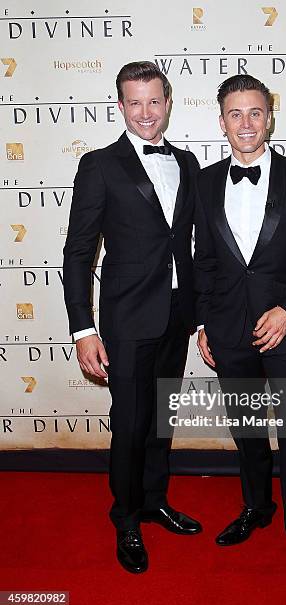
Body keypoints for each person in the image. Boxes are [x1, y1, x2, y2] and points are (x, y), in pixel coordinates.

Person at [194, 74, 286, 594]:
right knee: (247, 431)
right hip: (229, 332)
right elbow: (204, 262)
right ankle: (257, 507)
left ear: (269, 117)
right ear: (222, 122)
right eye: (235, 114)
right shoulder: (205, 182)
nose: (246, 123)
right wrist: (205, 321)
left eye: (255, 112)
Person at [63, 61, 202, 574]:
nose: (146, 112)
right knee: (129, 424)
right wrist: (83, 328)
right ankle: (124, 519)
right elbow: (79, 252)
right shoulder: (99, 165)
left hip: (176, 316)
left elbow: (191, 247)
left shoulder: (187, 163)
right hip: (125, 320)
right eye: (134, 102)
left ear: (168, 102)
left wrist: (201, 316)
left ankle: (152, 500)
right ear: (120, 106)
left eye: (154, 100)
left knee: (161, 421)